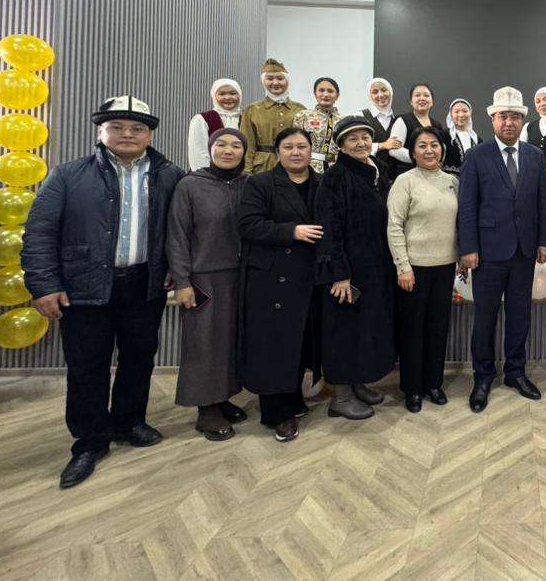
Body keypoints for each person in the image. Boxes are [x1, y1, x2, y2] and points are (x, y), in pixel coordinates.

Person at [23, 96, 184, 489]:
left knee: (139, 358)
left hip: (144, 284)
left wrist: (175, 272)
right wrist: (44, 285)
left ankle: (129, 422)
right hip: (85, 287)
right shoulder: (68, 175)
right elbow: (39, 233)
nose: (127, 134)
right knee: (87, 365)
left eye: (137, 128)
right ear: (100, 131)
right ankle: (90, 441)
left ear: (150, 135)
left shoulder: (170, 176)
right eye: (117, 127)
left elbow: (180, 232)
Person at [457, 86, 546, 413]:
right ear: (492, 120)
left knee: (519, 316)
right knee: (485, 318)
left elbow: (544, 202)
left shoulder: (535, 156)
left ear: (522, 120)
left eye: (514, 116)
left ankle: (515, 373)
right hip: (487, 253)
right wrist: (468, 248)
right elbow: (467, 206)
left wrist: (544, 241)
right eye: (502, 117)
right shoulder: (476, 156)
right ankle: (483, 376)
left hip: (524, 252)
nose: (508, 122)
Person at [237, 127, 321, 443]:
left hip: (308, 275)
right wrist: (291, 231)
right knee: (275, 346)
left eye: (302, 146)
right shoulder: (260, 183)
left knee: (298, 342)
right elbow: (247, 225)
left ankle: (294, 397)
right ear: (278, 152)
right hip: (272, 277)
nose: (296, 152)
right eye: (288, 147)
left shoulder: (321, 184)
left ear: (311, 150)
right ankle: (277, 414)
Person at [166, 128, 248, 440]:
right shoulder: (190, 185)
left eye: (236, 145)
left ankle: (222, 398)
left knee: (229, 342)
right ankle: (206, 409)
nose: (228, 150)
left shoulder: (249, 184)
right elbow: (177, 236)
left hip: (240, 277)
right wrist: (182, 281)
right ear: (210, 149)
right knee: (204, 343)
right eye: (221, 144)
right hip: (203, 278)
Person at [314, 116, 397, 420]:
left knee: (364, 329)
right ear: (341, 145)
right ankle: (341, 396)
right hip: (347, 271)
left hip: (374, 266)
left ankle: (357, 382)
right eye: (353, 139)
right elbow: (329, 228)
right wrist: (339, 273)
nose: (361, 143)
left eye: (365, 137)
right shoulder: (334, 177)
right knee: (344, 331)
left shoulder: (377, 172)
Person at [387, 126, 459, 412]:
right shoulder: (404, 181)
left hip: (445, 267)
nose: (429, 150)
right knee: (413, 331)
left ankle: (433, 384)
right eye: (422, 145)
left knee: (438, 328)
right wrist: (402, 266)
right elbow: (394, 226)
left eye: (434, 145)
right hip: (414, 269)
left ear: (442, 149)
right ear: (413, 152)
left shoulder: (452, 181)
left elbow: (458, 223)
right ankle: (412, 389)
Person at [240, 59, 306, 174]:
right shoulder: (252, 110)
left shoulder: (300, 110)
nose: (275, 83)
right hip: (261, 169)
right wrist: (246, 172)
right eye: (270, 79)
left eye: (280, 78)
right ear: (263, 81)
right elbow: (247, 144)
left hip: (293, 167)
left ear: (287, 81)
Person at [388, 83, 444, 177]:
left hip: (432, 175)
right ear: (411, 101)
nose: (422, 98)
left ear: (432, 102)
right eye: (417, 95)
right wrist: (421, 159)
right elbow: (394, 150)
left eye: (426, 95)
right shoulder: (403, 120)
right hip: (407, 175)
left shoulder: (437, 125)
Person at [187, 78, 242, 171]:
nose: (228, 97)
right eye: (222, 94)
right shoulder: (202, 119)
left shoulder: (246, 118)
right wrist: (207, 175)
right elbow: (198, 152)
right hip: (209, 175)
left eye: (233, 93)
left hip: (240, 176)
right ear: (214, 96)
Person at [293, 77, 341, 173]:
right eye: (321, 90)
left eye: (330, 91)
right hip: (309, 167)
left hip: (336, 168)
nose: (325, 94)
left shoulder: (343, 120)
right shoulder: (303, 116)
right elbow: (295, 143)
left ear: (337, 95)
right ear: (315, 93)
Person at [360, 76, 403, 180]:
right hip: (367, 175)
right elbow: (353, 147)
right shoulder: (360, 116)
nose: (380, 95)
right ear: (370, 95)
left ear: (390, 92)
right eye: (375, 92)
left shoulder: (399, 121)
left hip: (393, 178)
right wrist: (382, 145)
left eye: (384, 90)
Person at [443, 97, 480, 176]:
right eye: (456, 111)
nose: (461, 115)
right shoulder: (444, 135)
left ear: (470, 113)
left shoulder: (477, 140)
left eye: (465, 111)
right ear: (451, 114)